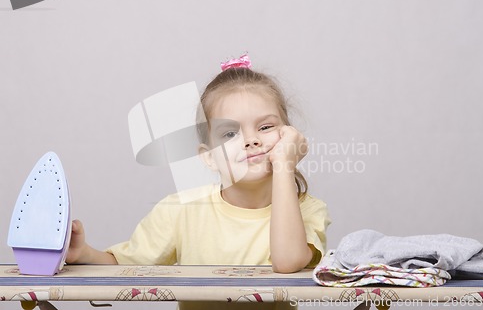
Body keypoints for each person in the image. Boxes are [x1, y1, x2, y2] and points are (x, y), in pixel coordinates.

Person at [66, 56, 331, 309]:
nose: (252, 140)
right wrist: (85, 254)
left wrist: (285, 165)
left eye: (265, 127)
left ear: (290, 136)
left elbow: (287, 262)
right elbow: (125, 264)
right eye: (230, 133)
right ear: (209, 157)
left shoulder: (307, 210)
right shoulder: (181, 210)